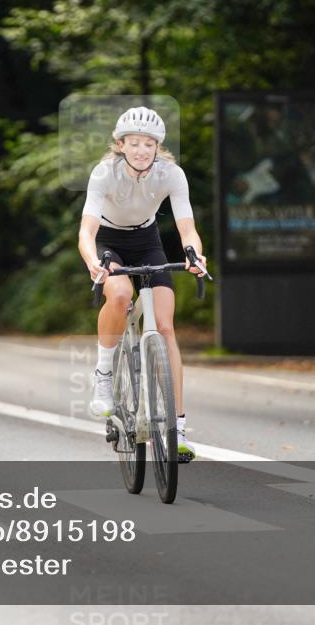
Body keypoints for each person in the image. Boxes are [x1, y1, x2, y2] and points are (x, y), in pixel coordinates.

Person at [77, 107, 208, 461]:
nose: (141, 150)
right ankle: (104, 371)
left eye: (148, 144)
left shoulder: (172, 174)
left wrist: (194, 255)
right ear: (120, 145)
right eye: (134, 143)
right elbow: (86, 230)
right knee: (119, 294)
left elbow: (186, 227)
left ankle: (177, 430)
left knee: (165, 327)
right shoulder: (105, 172)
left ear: (157, 147)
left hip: (147, 240)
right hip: (108, 241)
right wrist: (93, 261)